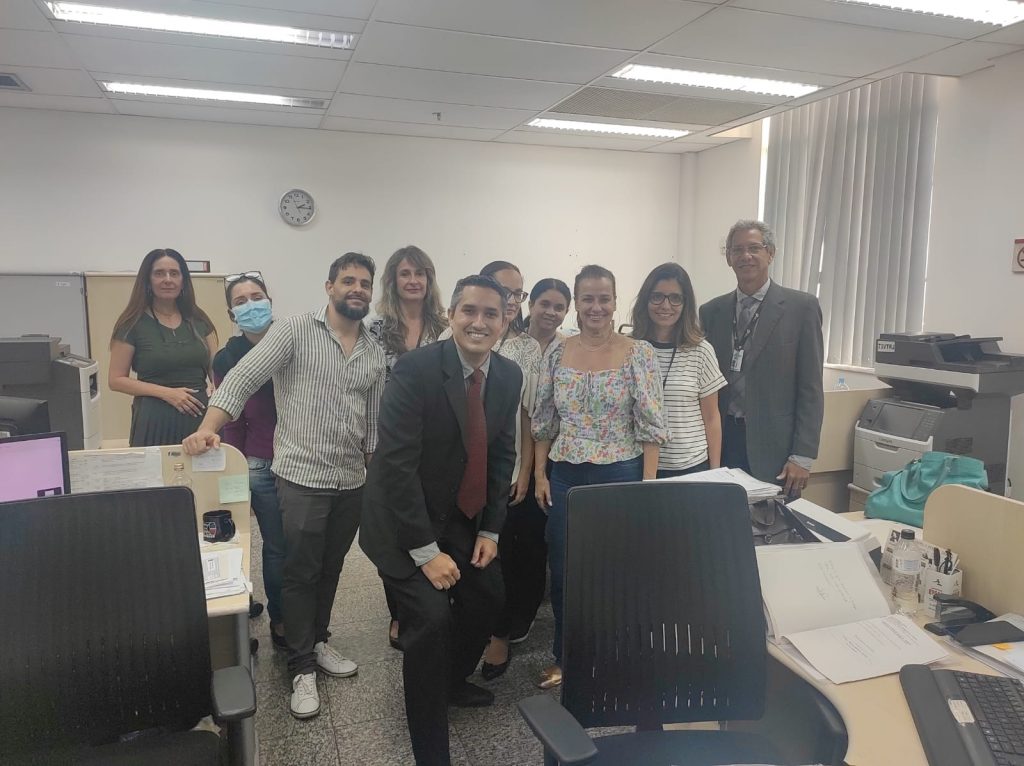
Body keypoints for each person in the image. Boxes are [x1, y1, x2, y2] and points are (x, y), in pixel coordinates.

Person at [183, 253, 387, 720]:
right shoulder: (295, 330)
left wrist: (377, 480)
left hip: (350, 480)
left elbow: (373, 424)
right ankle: (300, 667)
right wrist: (208, 427)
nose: (357, 288)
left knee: (331, 568)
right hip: (301, 477)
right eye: (348, 280)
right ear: (329, 286)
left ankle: (318, 641)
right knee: (300, 571)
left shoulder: (374, 352)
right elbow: (242, 378)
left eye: (364, 283)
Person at [360, 275, 522, 766]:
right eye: (469, 311)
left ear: (505, 320)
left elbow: (501, 455)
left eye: (491, 313)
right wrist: (426, 553)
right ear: (451, 315)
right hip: (402, 521)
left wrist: (490, 530)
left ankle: (450, 683)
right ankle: (431, 749)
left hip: (462, 516)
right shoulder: (415, 369)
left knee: (488, 595)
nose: (479, 322)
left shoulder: (508, 375)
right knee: (430, 621)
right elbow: (396, 466)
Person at [532, 265, 668, 690]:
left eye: (604, 299)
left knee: (619, 571)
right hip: (566, 476)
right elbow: (544, 421)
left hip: (620, 474)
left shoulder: (638, 352)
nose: (596, 307)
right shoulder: (557, 353)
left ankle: (618, 654)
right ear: (577, 302)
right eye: (588, 298)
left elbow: (651, 426)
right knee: (565, 569)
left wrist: (647, 486)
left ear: (614, 301)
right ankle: (566, 656)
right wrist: (539, 474)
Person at [480, 277, 571, 679]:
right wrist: (524, 470)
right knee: (505, 543)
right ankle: (497, 627)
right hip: (515, 458)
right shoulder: (510, 346)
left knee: (536, 546)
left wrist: (538, 472)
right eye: (544, 303)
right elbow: (522, 414)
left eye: (559, 306)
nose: (551, 312)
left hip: (558, 460)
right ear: (530, 304)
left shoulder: (569, 348)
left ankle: (522, 615)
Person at [699, 220, 824, 496]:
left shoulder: (801, 308)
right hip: (723, 442)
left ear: (771, 253)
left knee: (773, 521)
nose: (746, 256)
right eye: (737, 250)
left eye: (754, 248)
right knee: (722, 517)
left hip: (776, 450)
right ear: (729, 258)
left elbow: (811, 389)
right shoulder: (711, 312)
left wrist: (803, 455)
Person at [367, 245, 449, 651]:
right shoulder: (376, 330)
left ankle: (430, 600)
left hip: (436, 441)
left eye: (420, 273)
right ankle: (398, 611)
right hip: (390, 440)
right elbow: (368, 387)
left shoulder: (445, 327)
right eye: (405, 273)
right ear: (393, 281)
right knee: (394, 526)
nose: (413, 280)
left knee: (427, 518)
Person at [211, 271, 286, 649]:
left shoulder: (292, 341)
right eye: (241, 301)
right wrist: (235, 478)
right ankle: (282, 621)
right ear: (231, 314)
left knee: (305, 548)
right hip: (260, 463)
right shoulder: (227, 358)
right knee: (277, 546)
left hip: (303, 458)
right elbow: (232, 419)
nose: (251, 305)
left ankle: (307, 619)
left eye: (257, 297)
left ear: (270, 301)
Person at [109, 248, 218, 447]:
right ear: (147, 280)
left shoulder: (199, 319)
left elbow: (216, 369)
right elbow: (116, 380)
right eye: (159, 273)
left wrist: (218, 393)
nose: (168, 279)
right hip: (154, 420)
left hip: (200, 420)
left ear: (183, 280)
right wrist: (168, 393)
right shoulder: (132, 323)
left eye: (174, 273)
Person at [631, 263, 726, 478]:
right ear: (645, 300)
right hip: (638, 464)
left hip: (690, 467)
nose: (666, 305)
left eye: (675, 298)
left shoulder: (701, 350)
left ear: (685, 304)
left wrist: (715, 472)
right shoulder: (629, 348)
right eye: (657, 297)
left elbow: (712, 417)